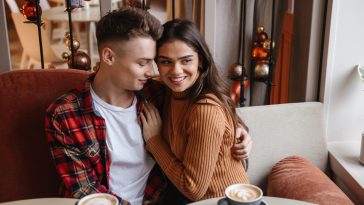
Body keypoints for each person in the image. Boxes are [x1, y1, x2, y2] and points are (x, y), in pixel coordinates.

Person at [45, 8, 252, 205]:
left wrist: (240, 130)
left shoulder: (157, 94)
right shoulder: (65, 115)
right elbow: (86, 190)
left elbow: (209, 109)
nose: (152, 71)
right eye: (142, 63)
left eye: (153, 62)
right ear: (108, 56)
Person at [140, 19, 250, 204]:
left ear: (200, 60)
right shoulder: (173, 90)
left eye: (186, 60)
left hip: (222, 201)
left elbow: (193, 189)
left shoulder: (204, 111)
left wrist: (154, 141)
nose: (176, 71)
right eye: (166, 61)